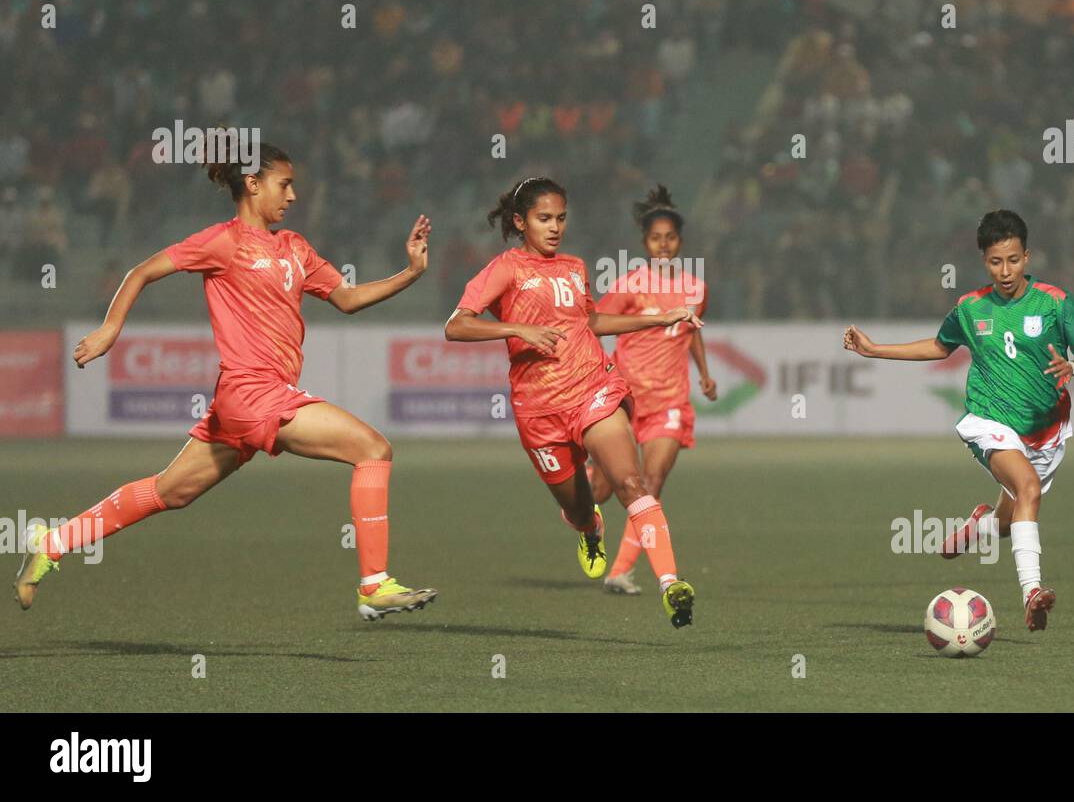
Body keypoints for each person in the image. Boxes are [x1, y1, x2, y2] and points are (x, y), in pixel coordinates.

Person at [15, 144, 437, 621]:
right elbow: (142, 271)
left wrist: (411, 272)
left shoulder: (295, 247)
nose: (294, 195)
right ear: (253, 184)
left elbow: (348, 298)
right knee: (373, 450)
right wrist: (111, 328)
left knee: (169, 492)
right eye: (285, 184)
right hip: (252, 393)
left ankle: (55, 541)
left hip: (242, 404)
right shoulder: (223, 242)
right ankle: (374, 585)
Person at [444, 176, 700, 627]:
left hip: (592, 388)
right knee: (580, 507)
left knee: (632, 482)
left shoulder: (574, 267)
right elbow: (457, 326)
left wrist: (658, 318)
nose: (555, 227)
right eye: (544, 219)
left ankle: (669, 583)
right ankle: (589, 528)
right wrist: (517, 329)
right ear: (521, 222)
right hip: (539, 410)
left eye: (561, 218)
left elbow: (592, 321)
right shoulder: (506, 269)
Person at [843, 210, 1074, 631]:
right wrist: (875, 350)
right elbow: (939, 346)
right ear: (984, 260)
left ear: (1027, 256)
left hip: (1046, 431)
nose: (1005, 271)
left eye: (1014, 260)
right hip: (990, 419)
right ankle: (1032, 593)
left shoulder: (1054, 301)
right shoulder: (970, 307)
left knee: (1007, 522)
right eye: (996, 261)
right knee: (1028, 489)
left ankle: (979, 524)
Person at [588, 185, 715, 595]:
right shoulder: (628, 286)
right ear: (645, 242)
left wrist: (704, 373)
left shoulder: (696, 289)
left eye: (671, 237)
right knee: (602, 492)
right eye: (656, 237)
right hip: (625, 402)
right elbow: (593, 324)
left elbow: (691, 331)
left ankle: (619, 572)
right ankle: (585, 496)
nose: (664, 244)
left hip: (670, 403)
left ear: (680, 242)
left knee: (651, 481)